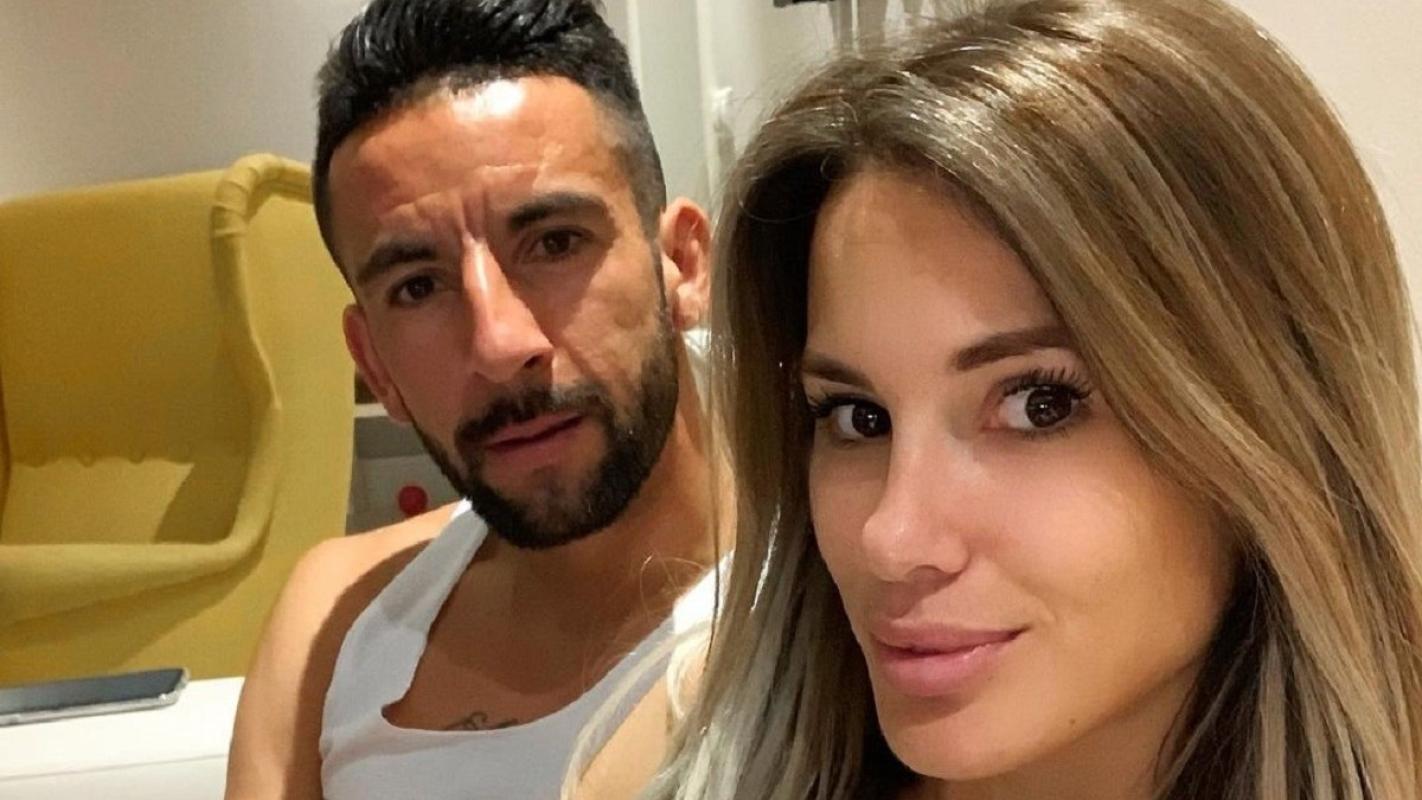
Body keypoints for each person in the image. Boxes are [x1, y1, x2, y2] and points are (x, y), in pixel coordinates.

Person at [637, 1, 1422, 798]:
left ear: (1275, 420)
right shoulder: (706, 751)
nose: (891, 538)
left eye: (1038, 405)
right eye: (858, 418)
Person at [225, 1, 720, 798]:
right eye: (418, 287)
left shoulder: (849, 603)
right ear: (374, 364)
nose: (497, 345)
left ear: (683, 267)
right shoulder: (334, 620)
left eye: (555, 243)